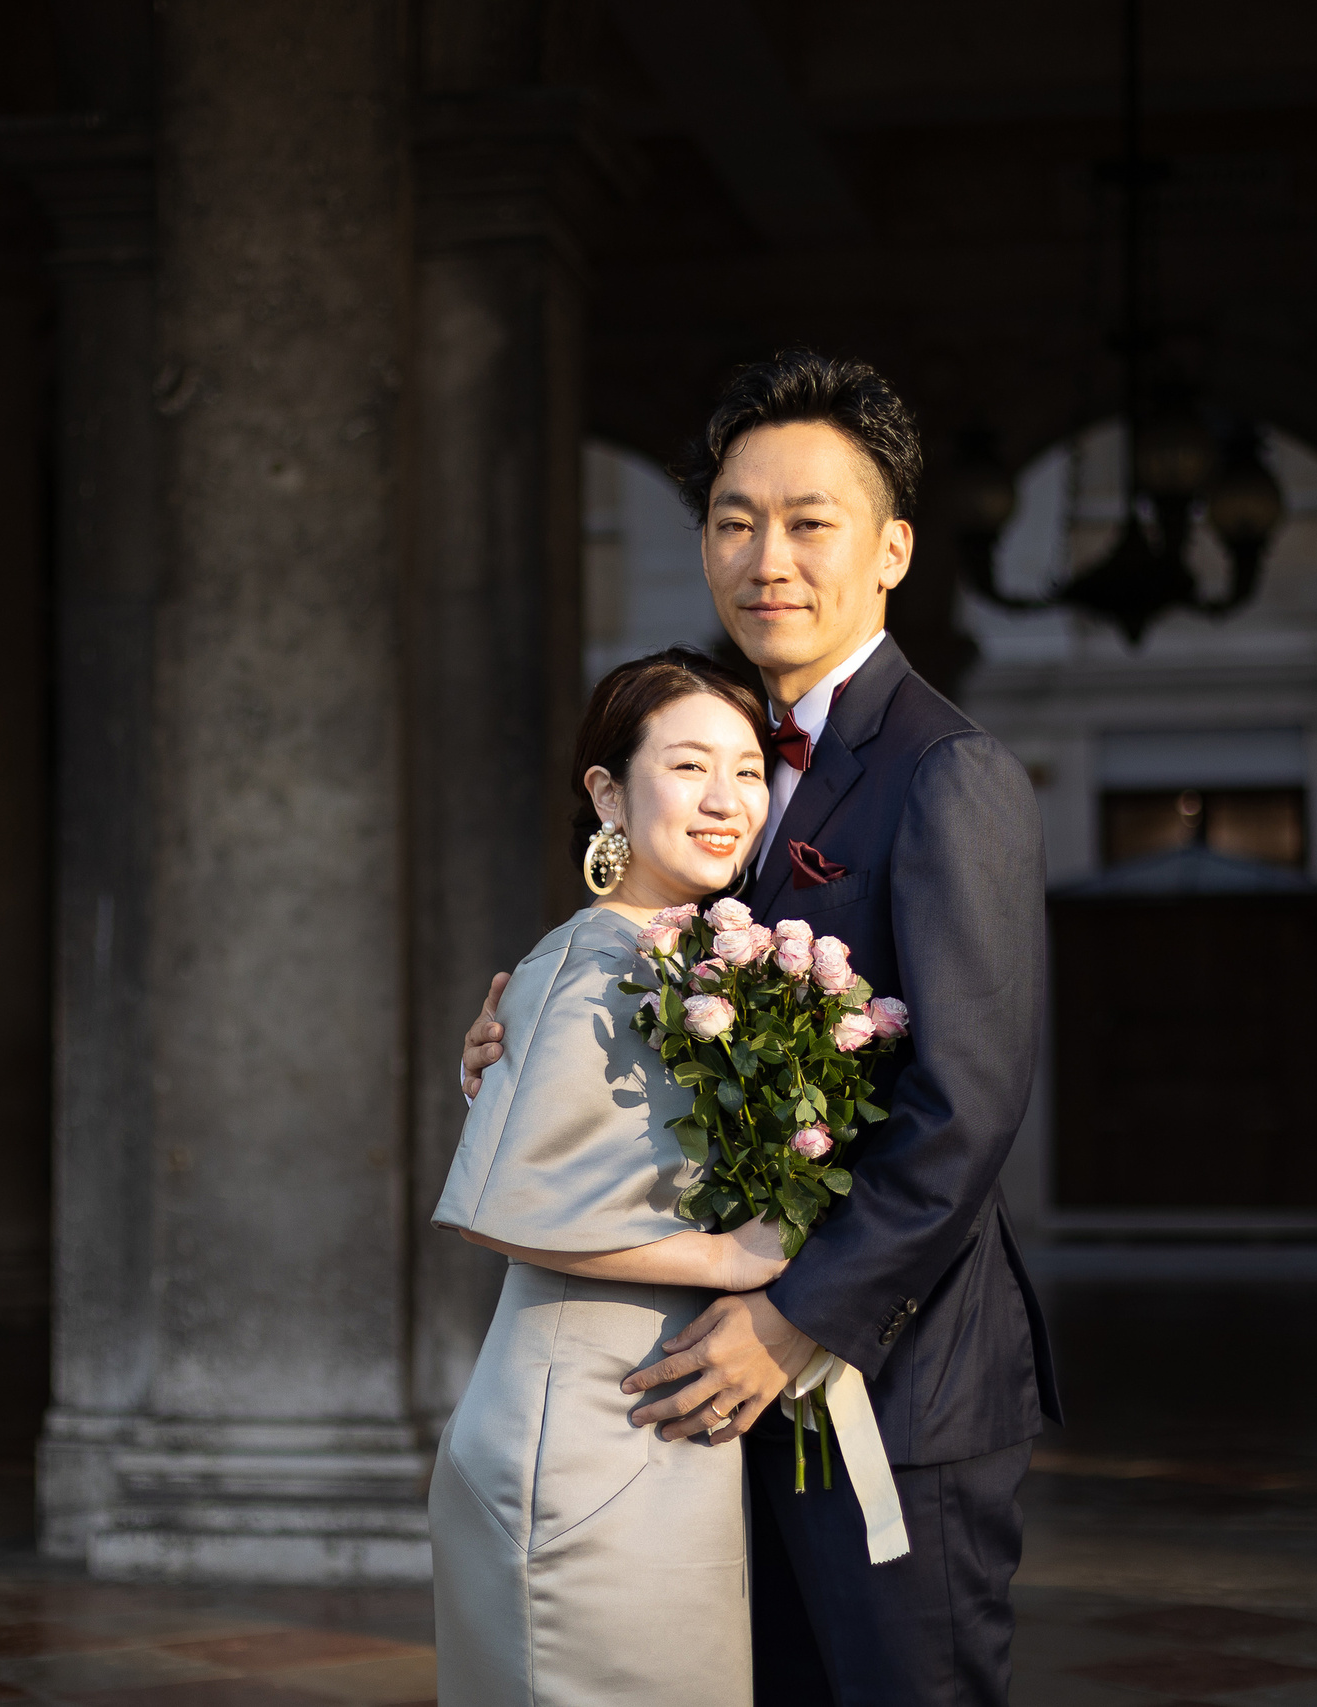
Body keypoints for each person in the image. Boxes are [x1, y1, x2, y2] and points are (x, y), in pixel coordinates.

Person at [462, 351, 1060, 1706]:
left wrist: (799, 1317)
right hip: (724, 1380)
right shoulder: (724, 739)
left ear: (893, 547)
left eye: (809, 521)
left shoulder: (947, 769)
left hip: (895, 1386)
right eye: (734, 520)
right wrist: (532, 1035)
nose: (766, 555)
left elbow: (964, 1102)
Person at [429, 649, 789, 1706]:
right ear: (608, 794)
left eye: (749, 770)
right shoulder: (598, 955)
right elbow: (502, 1205)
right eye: (687, 767)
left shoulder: (688, 958)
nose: (725, 800)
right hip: (587, 1434)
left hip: (646, 1416)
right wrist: (731, 1255)